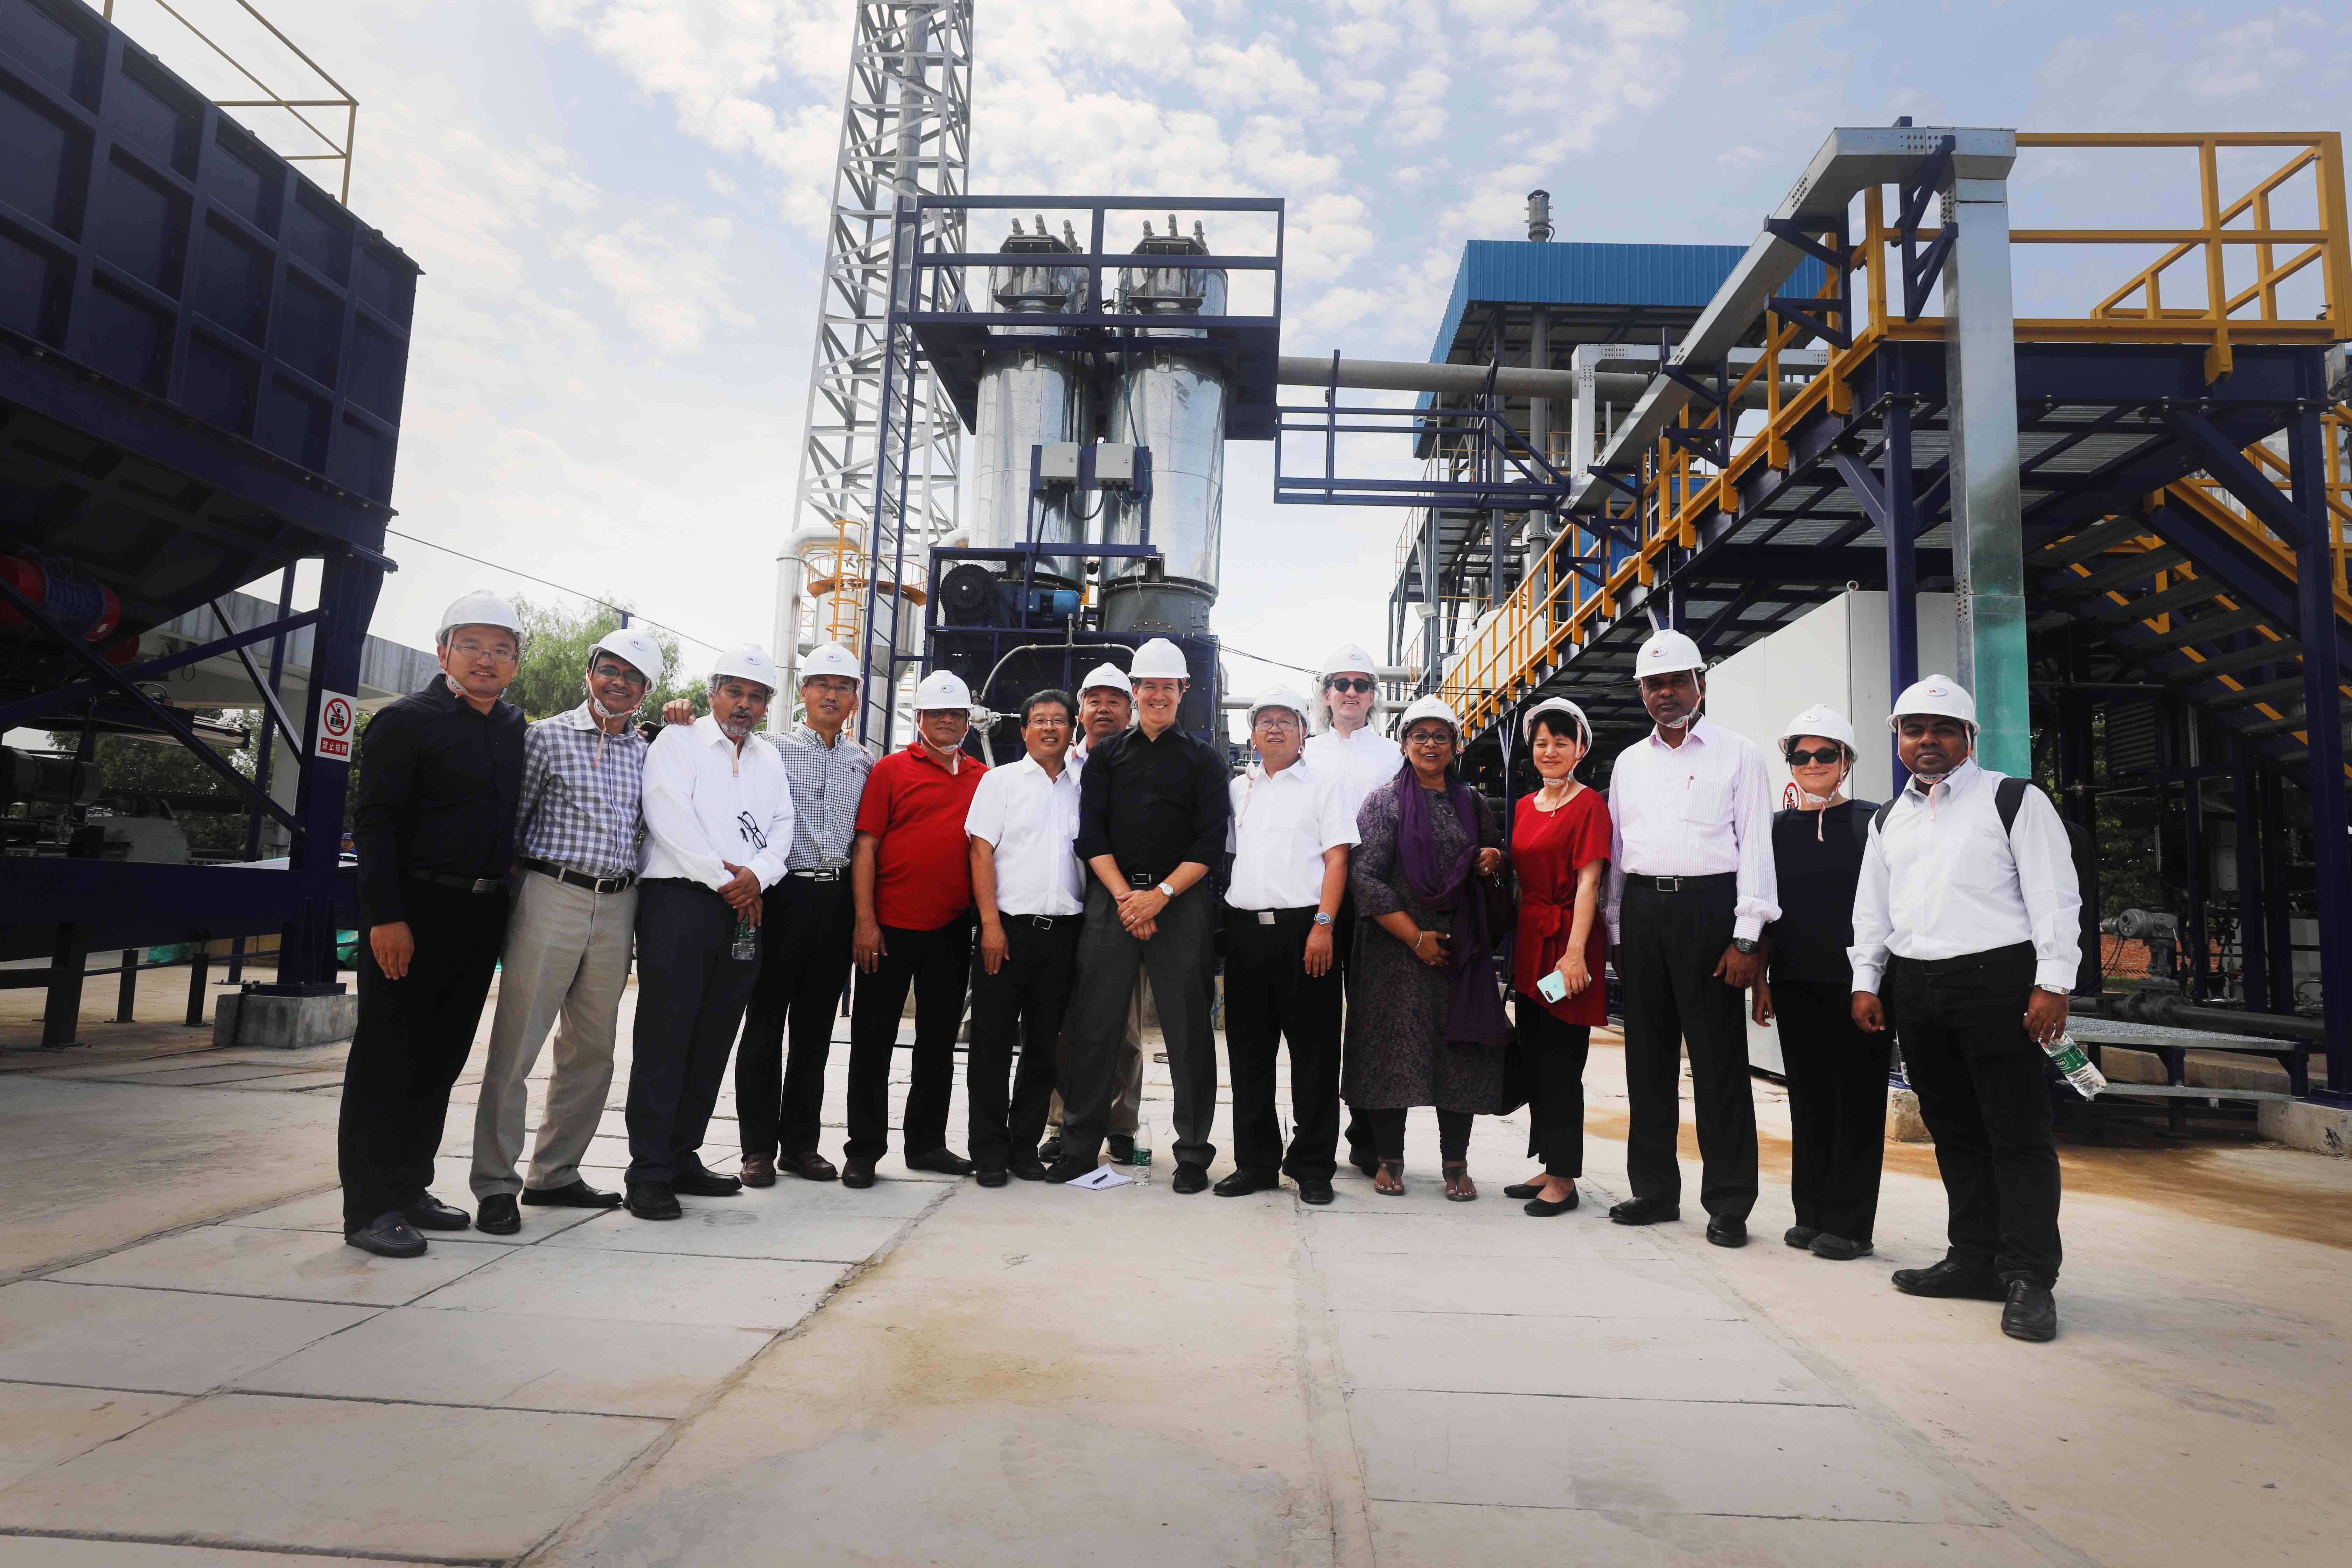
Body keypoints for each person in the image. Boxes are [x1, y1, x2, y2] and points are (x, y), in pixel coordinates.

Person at [1850, 676, 2081, 1343]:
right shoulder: (1887, 820)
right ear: (1898, 739)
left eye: (1943, 729)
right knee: (1954, 1130)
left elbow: (2054, 895)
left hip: (1998, 985)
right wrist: (1867, 981)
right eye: (1914, 730)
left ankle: (2030, 1277)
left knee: (2018, 1133)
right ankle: (1975, 1259)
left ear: (1969, 738)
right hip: (1917, 989)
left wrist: (2053, 983)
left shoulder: (2014, 800)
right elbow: (1873, 911)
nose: (1928, 741)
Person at [341, 592, 527, 1257]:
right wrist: (385, 917)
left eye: (501, 649)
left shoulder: (514, 727)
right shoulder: (405, 722)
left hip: (481, 914)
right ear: (443, 651)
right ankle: (368, 1208)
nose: (486, 659)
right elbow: (375, 824)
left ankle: (410, 1187)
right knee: (387, 1058)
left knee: (441, 1058)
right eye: (472, 645)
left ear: (515, 663)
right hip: (414, 911)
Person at [469, 625, 665, 1234]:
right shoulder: (546, 738)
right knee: (517, 1045)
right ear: (590, 673)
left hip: (619, 903)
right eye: (610, 669)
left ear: (647, 690)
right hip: (552, 893)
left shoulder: (648, 753)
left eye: (634, 677)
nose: (620, 683)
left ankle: (555, 1173)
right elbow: (512, 823)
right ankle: (495, 1184)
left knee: (592, 1051)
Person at [1604, 628, 1778, 1245]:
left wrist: (1747, 939)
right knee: (1647, 1061)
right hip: (1644, 911)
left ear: (1700, 684)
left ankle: (1729, 1203)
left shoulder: (1739, 754)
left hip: (1711, 911)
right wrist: (1617, 927)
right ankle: (1654, 1191)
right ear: (1642, 693)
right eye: (1654, 684)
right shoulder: (1629, 763)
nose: (1666, 693)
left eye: (1678, 681)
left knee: (1717, 1063)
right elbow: (1618, 852)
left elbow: (1756, 847)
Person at [1049, 637, 1229, 1190]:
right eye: (1148, 686)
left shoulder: (1204, 760)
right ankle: (1079, 1147)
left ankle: (1193, 1154)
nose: (1157, 696)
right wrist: (1130, 898)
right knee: (1096, 1027)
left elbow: (1209, 844)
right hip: (1115, 900)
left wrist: (1161, 896)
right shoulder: (1107, 758)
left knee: (1188, 1032)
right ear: (1136, 691)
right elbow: (1092, 837)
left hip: (1181, 903)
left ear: (1183, 691)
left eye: (1167, 687)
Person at [624, 645, 794, 1220]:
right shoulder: (679, 741)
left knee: (713, 1036)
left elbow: (783, 826)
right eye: (734, 692)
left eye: (756, 696)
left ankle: (682, 1156)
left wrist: (759, 876)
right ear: (713, 692)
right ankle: (648, 1172)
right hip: (682, 902)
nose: (744, 704)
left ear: (767, 705)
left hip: (745, 906)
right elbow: (669, 817)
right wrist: (729, 881)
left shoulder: (770, 758)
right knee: (665, 1037)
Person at [1344, 695, 1511, 1200]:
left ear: (1456, 746)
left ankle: (1455, 1164)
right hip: (1394, 952)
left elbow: (1498, 857)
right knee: (1390, 1052)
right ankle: (1389, 1160)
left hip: (1458, 951)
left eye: (1441, 736)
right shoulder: (1384, 803)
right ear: (1404, 744)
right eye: (1420, 736)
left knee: (1458, 1054)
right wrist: (1415, 938)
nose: (1430, 745)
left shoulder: (1472, 802)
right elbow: (1366, 879)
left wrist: (1493, 857)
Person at [1751, 705, 1887, 1261]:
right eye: (1801, 755)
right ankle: (1811, 1214)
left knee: (1857, 1100)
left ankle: (1851, 1225)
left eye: (1826, 754)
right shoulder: (1775, 830)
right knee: (1808, 1098)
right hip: (1794, 981)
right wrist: (1761, 980)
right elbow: (1765, 909)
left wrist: (1874, 983)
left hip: (1859, 986)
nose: (1813, 763)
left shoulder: (1871, 823)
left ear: (1846, 760)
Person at [844, 668, 989, 1187]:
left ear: (968, 722)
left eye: (957, 714)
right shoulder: (890, 771)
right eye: (938, 714)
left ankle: (926, 1145)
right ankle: (864, 1151)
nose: (948, 721)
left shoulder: (982, 778)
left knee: (937, 1045)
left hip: (949, 930)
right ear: (920, 718)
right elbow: (866, 848)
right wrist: (865, 923)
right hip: (887, 930)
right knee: (872, 1042)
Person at [735, 642, 870, 1186]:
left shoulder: (864, 763)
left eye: (843, 687)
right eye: (822, 685)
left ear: (855, 699)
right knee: (765, 1024)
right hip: (780, 896)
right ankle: (757, 1150)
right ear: (804, 692)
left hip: (836, 902)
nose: (832, 695)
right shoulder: (768, 748)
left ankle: (800, 1147)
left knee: (815, 1031)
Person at [1220, 684, 1358, 1205]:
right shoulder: (1239, 789)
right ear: (1252, 734)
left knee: (1314, 1054)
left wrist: (1324, 925)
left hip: (1306, 931)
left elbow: (1338, 860)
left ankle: (1312, 1165)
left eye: (1286, 721)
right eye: (1265, 721)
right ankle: (1255, 1164)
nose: (1274, 729)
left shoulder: (1324, 787)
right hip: (1245, 932)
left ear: (1304, 732)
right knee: (1248, 1055)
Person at [962, 688, 1084, 1186]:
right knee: (990, 1044)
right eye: (1040, 720)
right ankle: (989, 1151)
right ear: (1024, 729)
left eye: (1059, 720)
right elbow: (980, 852)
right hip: (1007, 932)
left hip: (1064, 936)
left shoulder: (1084, 786)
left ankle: (1024, 1147)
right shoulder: (1001, 782)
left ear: (1072, 730)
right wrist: (990, 925)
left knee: (1043, 1048)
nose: (1050, 728)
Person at [1503, 697, 1609, 1218]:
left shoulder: (1590, 806)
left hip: (1568, 941)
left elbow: (1590, 882)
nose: (1550, 751)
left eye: (1561, 743)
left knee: (1564, 1061)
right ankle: (1549, 1163)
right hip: (1532, 940)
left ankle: (1565, 1178)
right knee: (1535, 1055)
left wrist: (1574, 955)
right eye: (1542, 743)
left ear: (1580, 748)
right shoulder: (1526, 806)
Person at [1041, 663, 1146, 1165]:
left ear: (1131, 709)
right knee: (1068, 1024)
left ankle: (1122, 1125)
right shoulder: (1058, 765)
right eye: (1094, 700)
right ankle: (1062, 1122)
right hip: (1067, 909)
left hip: (1123, 907)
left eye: (1115, 700)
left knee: (1125, 1027)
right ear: (1080, 709)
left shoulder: (1141, 762)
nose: (1104, 709)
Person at [1303, 643, 1402, 1177]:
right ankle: (1314, 1140)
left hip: (1374, 902)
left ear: (1373, 696)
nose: (1350, 693)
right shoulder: (1306, 753)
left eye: (1361, 685)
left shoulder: (1392, 756)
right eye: (1340, 684)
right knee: (1319, 1027)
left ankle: (1369, 1140)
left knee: (1372, 1024)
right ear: (1326, 694)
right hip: (1318, 900)